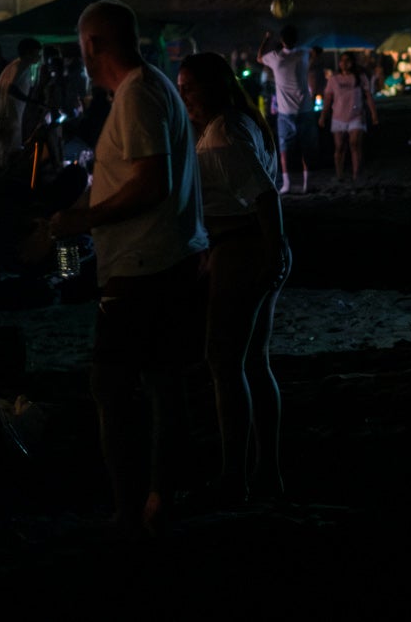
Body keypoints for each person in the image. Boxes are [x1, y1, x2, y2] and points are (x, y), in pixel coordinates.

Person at [49, 0, 208, 534]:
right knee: (165, 387)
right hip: (169, 260)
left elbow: (150, 183)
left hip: (142, 269)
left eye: (82, 47)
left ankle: (130, 509)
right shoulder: (149, 89)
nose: (81, 58)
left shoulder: (138, 95)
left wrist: (80, 221)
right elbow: (129, 176)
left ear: (93, 43)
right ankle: (160, 499)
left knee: (111, 389)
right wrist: (71, 215)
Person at [177, 51, 289, 504]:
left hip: (241, 251)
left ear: (213, 87)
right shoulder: (238, 123)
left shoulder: (224, 133)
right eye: (180, 87)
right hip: (246, 248)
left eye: (189, 87)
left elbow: (263, 196)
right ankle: (264, 471)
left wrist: (272, 248)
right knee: (253, 364)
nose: (183, 96)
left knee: (224, 363)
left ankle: (233, 475)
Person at [259, 26, 313, 193]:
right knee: (304, 148)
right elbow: (314, 52)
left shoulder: (275, 57)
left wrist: (267, 38)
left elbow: (259, 57)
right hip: (304, 109)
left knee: (284, 148)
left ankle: (288, 184)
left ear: (281, 41)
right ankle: (305, 183)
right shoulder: (303, 53)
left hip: (287, 112)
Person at [322, 51, 377, 182]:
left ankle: (356, 174)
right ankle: (339, 174)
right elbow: (328, 99)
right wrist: (323, 116)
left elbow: (368, 96)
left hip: (356, 116)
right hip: (338, 117)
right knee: (340, 147)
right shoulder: (334, 79)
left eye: (347, 60)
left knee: (354, 144)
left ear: (352, 62)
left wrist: (374, 114)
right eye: (342, 60)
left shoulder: (360, 77)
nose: (344, 63)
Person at [0, 39, 42, 171]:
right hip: (10, 118)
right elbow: (12, 88)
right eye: (37, 53)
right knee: (10, 158)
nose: (39, 57)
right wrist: (32, 102)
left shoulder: (10, 66)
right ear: (29, 53)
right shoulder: (23, 66)